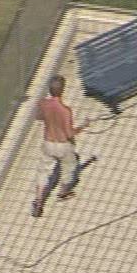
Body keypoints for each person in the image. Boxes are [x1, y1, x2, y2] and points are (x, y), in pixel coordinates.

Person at [30, 74, 90, 218]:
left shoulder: (43, 104)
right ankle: (63, 192)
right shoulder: (65, 110)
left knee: (43, 171)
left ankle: (38, 200)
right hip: (63, 145)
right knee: (69, 169)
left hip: (48, 143)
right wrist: (83, 126)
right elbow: (69, 133)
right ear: (62, 90)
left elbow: (38, 117)